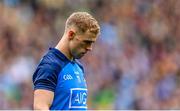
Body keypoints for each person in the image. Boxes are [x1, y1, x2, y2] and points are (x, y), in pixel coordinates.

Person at [32, 12, 100, 110]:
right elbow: (40, 107)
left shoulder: (78, 67)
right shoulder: (50, 65)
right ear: (71, 34)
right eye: (86, 42)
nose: (90, 48)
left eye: (92, 43)